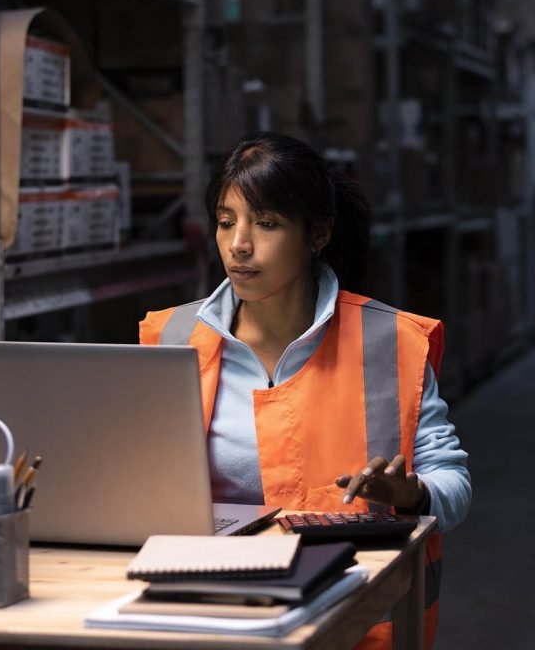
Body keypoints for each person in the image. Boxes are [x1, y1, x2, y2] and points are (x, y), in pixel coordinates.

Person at [140, 132, 471, 649]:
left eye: (265, 224)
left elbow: (453, 483)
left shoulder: (391, 342)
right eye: (226, 222)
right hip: (207, 611)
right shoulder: (174, 338)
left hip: (356, 619)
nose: (239, 244)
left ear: (317, 234)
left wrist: (411, 494)